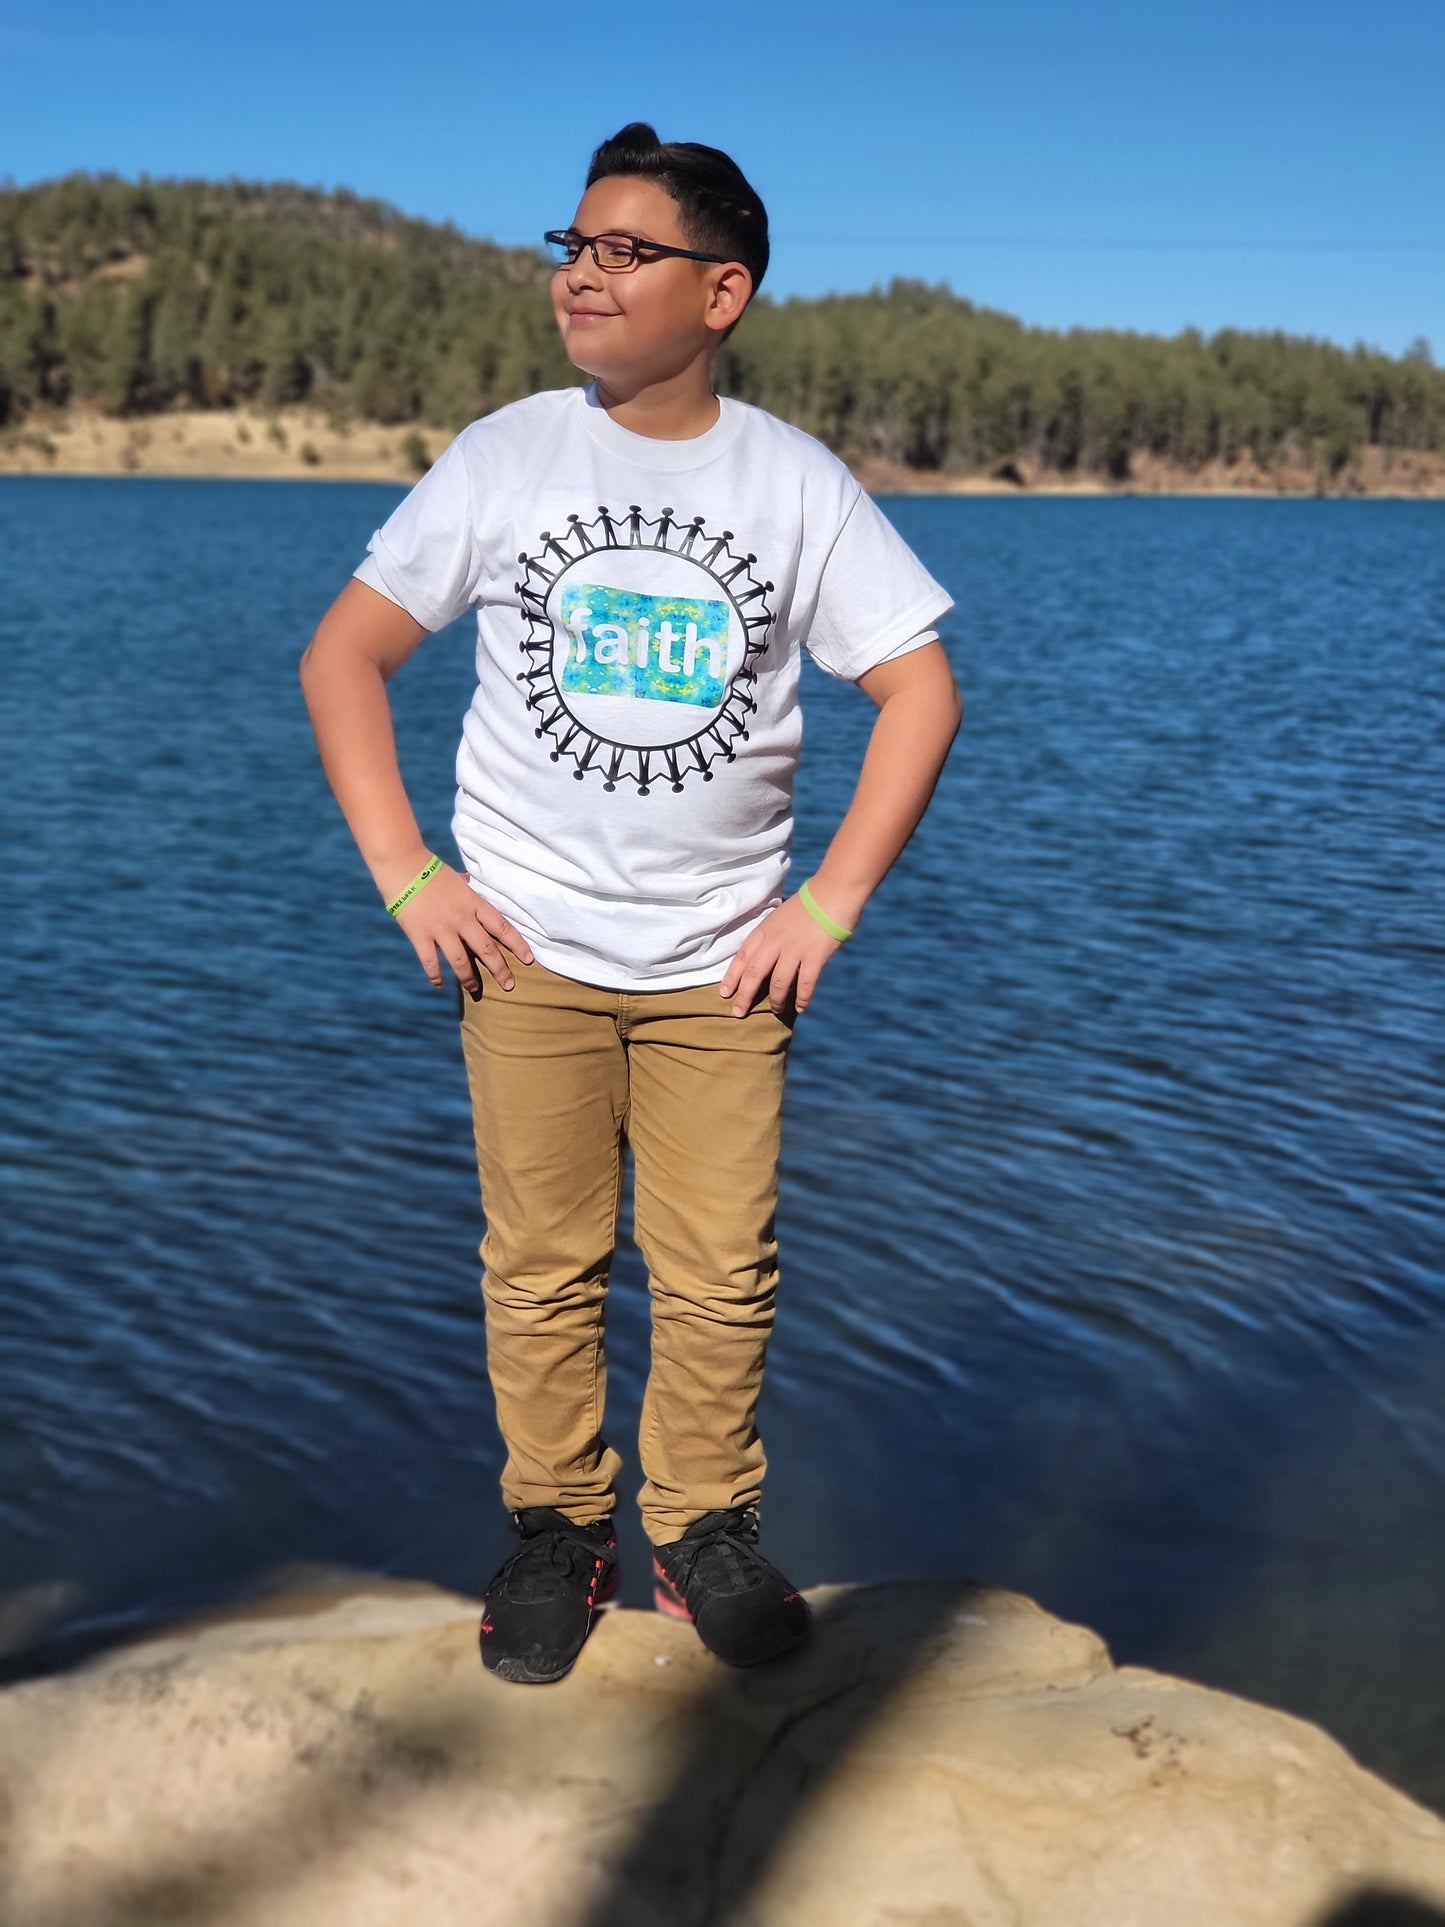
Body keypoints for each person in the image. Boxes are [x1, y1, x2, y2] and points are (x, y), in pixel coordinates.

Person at [299, 122, 961, 1686]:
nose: (579, 276)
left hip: (721, 970)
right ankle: (558, 1530)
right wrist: (406, 872)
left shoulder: (792, 483)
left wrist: (826, 908)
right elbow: (344, 656)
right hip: (524, 953)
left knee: (721, 1268)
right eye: (572, 247)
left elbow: (919, 692)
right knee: (540, 1264)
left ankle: (703, 1529)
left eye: (623, 251)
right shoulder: (509, 454)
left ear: (720, 292)